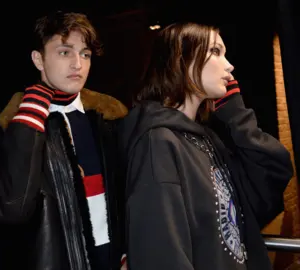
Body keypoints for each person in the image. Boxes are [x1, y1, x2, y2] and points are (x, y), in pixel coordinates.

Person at [118, 22, 293, 270]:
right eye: (215, 52)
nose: (229, 65)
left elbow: (274, 173)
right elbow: (162, 255)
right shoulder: (157, 143)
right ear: (182, 60)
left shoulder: (207, 138)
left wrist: (236, 114)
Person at [0, 11, 128, 270]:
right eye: (64, 52)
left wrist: (128, 252)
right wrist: (32, 111)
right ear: (38, 59)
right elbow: (9, 211)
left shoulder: (109, 120)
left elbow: (127, 197)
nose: (77, 65)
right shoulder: (12, 130)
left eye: (85, 54)